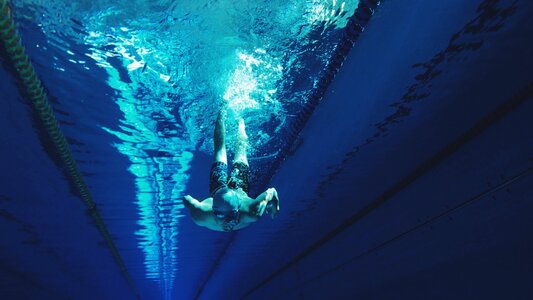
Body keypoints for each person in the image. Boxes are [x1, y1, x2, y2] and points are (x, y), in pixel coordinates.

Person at [183, 108, 280, 232]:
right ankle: (223, 111)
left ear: (238, 209)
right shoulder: (201, 215)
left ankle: (240, 119)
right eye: (220, 215)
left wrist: (274, 202)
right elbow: (187, 200)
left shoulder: (251, 212)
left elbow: (271, 192)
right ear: (213, 210)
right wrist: (274, 204)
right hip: (233, 188)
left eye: (230, 215)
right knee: (233, 152)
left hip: (228, 190)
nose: (226, 221)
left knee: (224, 151)